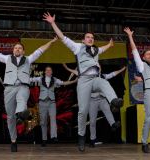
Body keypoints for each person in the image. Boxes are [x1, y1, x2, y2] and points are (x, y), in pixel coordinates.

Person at [43, 12, 123, 152]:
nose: (90, 39)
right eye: (88, 37)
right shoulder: (77, 47)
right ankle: (81, 137)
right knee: (83, 111)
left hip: (95, 79)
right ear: (83, 39)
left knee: (104, 82)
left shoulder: (96, 50)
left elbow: (103, 48)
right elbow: (62, 37)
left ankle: (114, 101)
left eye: (92, 37)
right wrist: (52, 23)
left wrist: (110, 45)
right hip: (84, 81)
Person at [0, 37, 58, 152]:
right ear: (13, 51)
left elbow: (40, 50)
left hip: (23, 86)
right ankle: (13, 140)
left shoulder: (28, 59)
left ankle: (21, 114)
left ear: (23, 51)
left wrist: (51, 42)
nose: (17, 49)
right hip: (9, 89)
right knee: (10, 117)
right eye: (16, 48)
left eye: (20, 48)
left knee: (22, 100)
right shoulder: (7, 58)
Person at [63, 63, 126, 147]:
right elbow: (77, 72)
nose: (98, 68)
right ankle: (93, 140)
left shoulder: (103, 76)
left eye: (99, 67)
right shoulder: (87, 77)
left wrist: (122, 69)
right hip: (92, 101)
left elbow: (113, 74)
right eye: (97, 67)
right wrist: (67, 68)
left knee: (108, 111)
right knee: (92, 121)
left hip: (102, 99)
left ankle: (113, 124)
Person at [30, 66, 77, 147]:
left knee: (53, 118)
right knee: (43, 122)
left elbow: (63, 83)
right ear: (45, 72)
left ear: (51, 72)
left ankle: (54, 136)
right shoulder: (40, 79)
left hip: (52, 102)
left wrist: (74, 81)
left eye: (50, 70)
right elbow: (30, 79)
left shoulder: (55, 80)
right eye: (47, 70)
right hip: (42, 103)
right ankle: (44, 139)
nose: (48, 71)